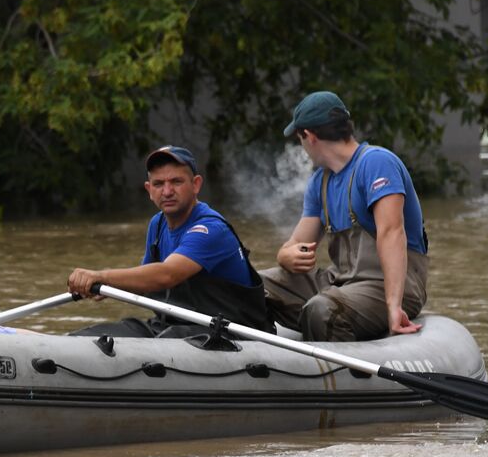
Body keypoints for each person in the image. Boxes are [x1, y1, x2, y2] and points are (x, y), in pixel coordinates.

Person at [260, 91, 428, 341]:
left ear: (309, 136)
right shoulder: (320, 181)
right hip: (340, 284)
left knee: (322, 310)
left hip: (390, 288)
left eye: (299, 139)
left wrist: (393, 306)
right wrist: (285, 256)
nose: (302, 147)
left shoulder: (376, 163)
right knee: (251, 284)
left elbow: (392, 232)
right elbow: (294, 245)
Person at [66, 146, 269, 338]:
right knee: (96, 334)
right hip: (175, 325)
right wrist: (107, 286)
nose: (167, 191)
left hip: (230, 332)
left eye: (176, 182)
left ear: (196, 184)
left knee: (168, 338)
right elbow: (146, 283)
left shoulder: (210, 229)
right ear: (149, 189)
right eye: (158, 184)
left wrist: (102, 275)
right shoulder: (157, 224)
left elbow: (167, 275)